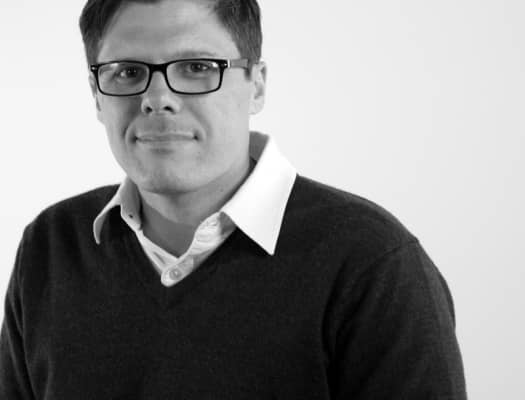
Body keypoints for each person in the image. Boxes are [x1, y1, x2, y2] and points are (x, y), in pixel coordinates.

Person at [0, 0, 467, 398]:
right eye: (127, 72)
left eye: (197, 68)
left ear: (257, 84)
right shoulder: (51, 247)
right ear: (96, 96)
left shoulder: (371, 263)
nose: (157, 98)